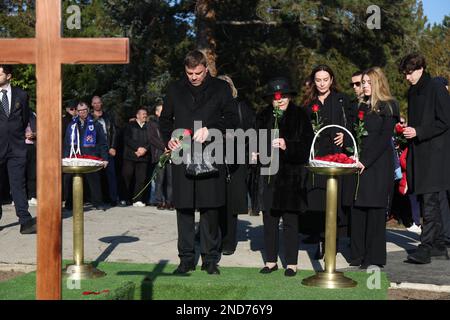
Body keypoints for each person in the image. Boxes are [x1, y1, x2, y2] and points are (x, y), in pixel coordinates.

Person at [160, 50, 238, 275]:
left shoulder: (221, 88)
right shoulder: (175, 88)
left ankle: (210, 259)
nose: (193, 77)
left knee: (210, 208)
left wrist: (211, 129)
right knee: (184, 208)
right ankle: (186, 259)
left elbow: (232, 119)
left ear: (206, 68)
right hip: (182, 154)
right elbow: (165, 120)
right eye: (189, 73)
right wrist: (170, 139)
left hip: (210, 154)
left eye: (198, 72)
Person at [256, 77, 313, 276]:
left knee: (290, 220)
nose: (279, 101)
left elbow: (306, 145)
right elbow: (254, 140)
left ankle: (292, 263)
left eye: (283, 97)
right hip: (269, 174)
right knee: (269, 219)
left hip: (291, 175)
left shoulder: (300, 115)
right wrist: (256, 152)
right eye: (275, 98)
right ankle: (270, 261)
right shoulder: (263, 116)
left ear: (289, 97)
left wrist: (287, 144)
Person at [399, 54, 450, 263]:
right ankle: (439, 244)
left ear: (420, 68)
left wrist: (418, 131)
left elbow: (445, 120)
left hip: (436, 155)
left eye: (409, 73)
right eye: (405, 74)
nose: (407, 77)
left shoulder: (436, 88)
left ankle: (426, 246)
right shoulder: (413, 91)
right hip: (420, 153)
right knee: (432, 200)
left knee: (429, 201)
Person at [348, 67, 399, 268]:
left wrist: (365, 161)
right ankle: (358, 255)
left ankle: (374, 257)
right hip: (359, 163)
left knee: (375, 212)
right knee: (359, 210)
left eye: (369, 82)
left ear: (378, 83)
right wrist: (351, 151)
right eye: (363, 83)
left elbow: (383, 139)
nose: (365, 86)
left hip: (377, 166)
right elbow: (354, 132)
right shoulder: (361, 105)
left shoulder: (389, 105)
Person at [301, 64, 353, 257]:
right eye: (318, 80)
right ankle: (319, 242)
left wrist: (345, 138)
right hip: (317, 159)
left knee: (336, 202)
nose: (322, 83)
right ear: (313, 81)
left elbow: (353, 125)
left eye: (325, 79)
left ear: (331, 80)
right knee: (318, 201)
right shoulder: (308, 104)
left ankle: (332, 242)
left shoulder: (342, 100)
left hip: (337, 158)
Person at [217, 75, 253, 256]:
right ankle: (212, 237)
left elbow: (252, 132)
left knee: (231, 203)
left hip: (236, 160)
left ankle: (229, 241)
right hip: (214, 158)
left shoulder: (241, 107)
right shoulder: (212, 107)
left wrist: (237, 138)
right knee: (213, 200)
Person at [0, 65, 36, 234]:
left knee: (18, 184)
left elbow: (25, 118)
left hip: (16, 147)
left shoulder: (21, 95)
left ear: (8, 76)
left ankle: (25, 221)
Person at [63, 102, 109, 211]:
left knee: (94, 181)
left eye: (84, 110)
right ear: (77, 112)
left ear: (87, 110)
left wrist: (105, 158)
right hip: (75, 156)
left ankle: (98, 202)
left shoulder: (96, 124)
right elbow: (66, 143)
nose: (82, 112)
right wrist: (65, 157)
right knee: (70, 181)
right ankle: (70, 204)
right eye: (80, 110)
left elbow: (103, 142)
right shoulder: (72, 125)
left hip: (90, 156)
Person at [91, 96, 119, 206]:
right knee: (95, 176)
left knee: (111, 175)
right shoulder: (89, 118)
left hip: (107, 148)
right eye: (95, 103)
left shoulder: (108, 117)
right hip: (94, 150)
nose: (97, 105)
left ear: (101, 103)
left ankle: (112, 199)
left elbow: (114, 132)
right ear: (92, 105)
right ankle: (97, 200)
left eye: (99, 103)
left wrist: (113, 147)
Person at [122, 107, 151, 207]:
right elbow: (127, 138)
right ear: (137, 115)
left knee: (141, 179)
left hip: (143, 157)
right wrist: (137, 148)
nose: (145, 115)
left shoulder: (149, 126)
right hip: (130, 155)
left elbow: (152, 140)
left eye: (146, 114)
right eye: (143, 113)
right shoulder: (130, 125)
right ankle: (125, 198)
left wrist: (145, 149)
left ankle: (137, 199)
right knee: (127, 177)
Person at [147, 103, 173, 210]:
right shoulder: (152, 124)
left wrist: (171, 148)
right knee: (160, 179)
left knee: (171, 179)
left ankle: (170, 201)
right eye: (162, 111)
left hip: (171, 154)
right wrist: (164, 147)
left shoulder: (171, 123)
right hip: (160, 154)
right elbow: (152, 138)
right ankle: (159, 201)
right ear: (157, 113)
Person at [25, 111, 37, 206]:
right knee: (20, 172)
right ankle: (20, 197)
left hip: (32, 146)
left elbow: (40, 129)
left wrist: (34, 134)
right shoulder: (15, 113)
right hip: (19, 146)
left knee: (32, 172)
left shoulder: (33, 115)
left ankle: (32, 195)